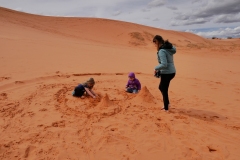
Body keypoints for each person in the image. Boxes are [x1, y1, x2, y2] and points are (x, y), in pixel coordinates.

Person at [153, 35, 176, 112]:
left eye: (155, 43)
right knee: (162, 87)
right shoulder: (168, 49)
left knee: (164, 89)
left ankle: (166, 108)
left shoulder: (162, 51)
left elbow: (164, 64)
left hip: (167, 73)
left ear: (157, 42)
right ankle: (167, 104)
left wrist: (156, 68)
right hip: (171, 72)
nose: (154, 45)